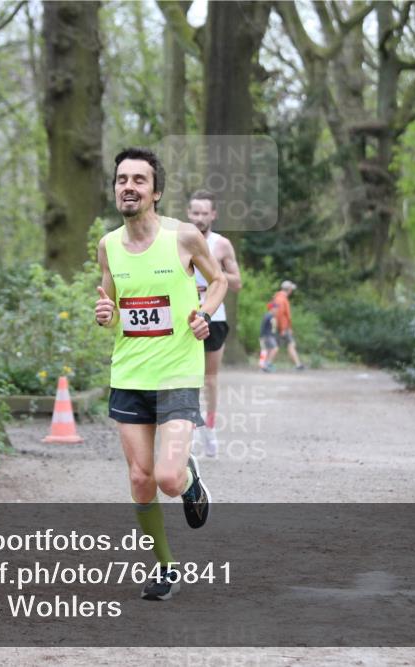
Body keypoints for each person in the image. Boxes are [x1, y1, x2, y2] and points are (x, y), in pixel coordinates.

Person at [94, 147, 227, 601]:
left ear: (156, 192)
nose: (128, 186)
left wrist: (204, 312)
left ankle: (189, 482)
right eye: (121, 179)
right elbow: (112, 309)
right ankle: (167, 568)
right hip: (130, 376)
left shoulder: (185, 237)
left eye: (139, 180)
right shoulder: (108, 246)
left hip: (176, 374)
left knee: (167, 478)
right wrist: (104, 313)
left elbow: (220, 280)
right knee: (140, 478)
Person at [187, 189, 241, 457]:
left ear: (213, 215)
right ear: (188, 213)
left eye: (204, 213)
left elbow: (237, 282)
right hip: (186, 318)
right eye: (194, 212)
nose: (199, 218)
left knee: (209, 379)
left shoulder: (221, 244)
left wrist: (213, 278)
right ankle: (191, 432)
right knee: (188, 378)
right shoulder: (179, 241)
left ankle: (209, 427)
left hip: (215, 318)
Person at [272, 280, 305, 370]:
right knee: (281, 345)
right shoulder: (281, 299)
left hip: (281, 326)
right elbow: (279, 315)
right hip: (283, 327)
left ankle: (298, 364)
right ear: (289, 290)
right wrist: (283, 328)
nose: (291, 292)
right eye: (291, 289)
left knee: (277, 346)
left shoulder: (277, 297)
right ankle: (267, 363)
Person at [258, 301, 279, 372]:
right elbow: (264, 326)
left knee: (266, 351)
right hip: (267, 336)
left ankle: (263, 365)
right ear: (271, 308)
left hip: (269, 336)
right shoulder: (269, 316)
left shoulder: (270, 316)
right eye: (276, 308)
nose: (277, 310)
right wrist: (262, 337)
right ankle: (268, 364)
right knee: (274, 349)